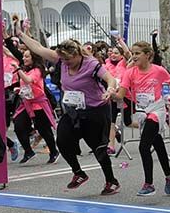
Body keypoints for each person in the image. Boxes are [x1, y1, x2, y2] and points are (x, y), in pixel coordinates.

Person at [17, 28, 121, 194]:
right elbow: (38, 48)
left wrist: (109, 90)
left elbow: (110, 79)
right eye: (63, 60)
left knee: (98, 148)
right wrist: (21, 35)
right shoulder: (61, 59)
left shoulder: (91, 64)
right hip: (74, 111)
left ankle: (111, 181)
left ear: (78, 54)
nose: (66, 63)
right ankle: (78, 173)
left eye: (69, 60)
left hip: (95, 110)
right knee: (62, 141)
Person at [116, 41, 170, 196]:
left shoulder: (158, 70)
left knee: (144, 146)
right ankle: (169, 176)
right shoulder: (130, 73)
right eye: (133, 53)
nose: (134, 56)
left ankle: (149, 184)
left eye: (137, 53)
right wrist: (111, 95)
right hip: (142, 111)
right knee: (157, 143)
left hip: (156, 110)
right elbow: (120, 95)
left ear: (148, 55)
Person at [11, 49, 60, 164]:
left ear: (34, 58)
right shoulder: (25, 70)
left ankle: (54, 151)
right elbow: (26, 86)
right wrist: (19, 90)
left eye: (27, 57)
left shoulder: (37, 70)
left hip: (38, 104)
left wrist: (17, 69)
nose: (24, 59)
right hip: (27, 104)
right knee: (18, 125)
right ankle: (28, 152)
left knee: (44, 129)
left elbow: (28, 80)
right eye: (23, 56)